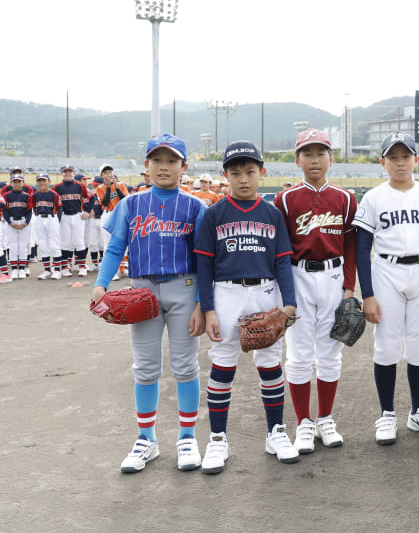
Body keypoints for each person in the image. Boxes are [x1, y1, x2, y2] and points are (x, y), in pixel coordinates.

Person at [92, 133, 207, 473]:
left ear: (184, 167)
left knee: (185, 366)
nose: (164, 166)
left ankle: (187, 437)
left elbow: (203, 259)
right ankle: (147, 439)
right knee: (145, 368)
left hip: (184, 287)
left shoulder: (195, 206)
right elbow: (115, 249)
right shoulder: (130, 204)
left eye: (171, 161)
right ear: (146, 166)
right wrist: (100, 285)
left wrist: (202, 301)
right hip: (142, 290)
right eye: (157, 160)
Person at [192, 140, 298, 474]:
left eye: (250, 171)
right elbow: (204, 267)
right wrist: (207, 308)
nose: (243, 179)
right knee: (222, 366)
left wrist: (289, 303)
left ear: (261, 173)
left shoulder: (272, 214)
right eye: (235, 172)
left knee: (270, 363)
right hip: (225, 294)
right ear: (225, 175)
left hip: (265, 292)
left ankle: (276, 432)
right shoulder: (214, 215)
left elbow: (282, 262)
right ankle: (218, 439)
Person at [353, 132, 419, 444]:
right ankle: (387, 415)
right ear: (383, 162)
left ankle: (418, 411)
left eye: (405, 156)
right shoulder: (373, 198)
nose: (399, 162)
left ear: (416, 160)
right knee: (387, 344)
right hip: (386, 271)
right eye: (392, 157)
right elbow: (361, 248)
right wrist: (366, 294)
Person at [274, 128, 357, 453]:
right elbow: (280, 250)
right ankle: (304, 423)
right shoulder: (284, 199)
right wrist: (286, 294)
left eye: (320, 153)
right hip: (299, 277)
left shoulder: (346, 198)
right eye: (307, 153)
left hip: (334, 277)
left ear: (331, 159)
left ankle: (325, 418)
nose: (314, 159)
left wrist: (350, 286)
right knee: (297, 355)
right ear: (297, 160)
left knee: (330, 352)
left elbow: (351, 245)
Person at [96, 165, 131, 281]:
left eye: (110, 172)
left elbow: (125, 200)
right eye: (105, 173)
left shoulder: (120, 185)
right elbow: (105, 203)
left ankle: (122, 268)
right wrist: (109, 188)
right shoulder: (100, 188)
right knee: (108, 243)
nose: (108, 175)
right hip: (108, 213)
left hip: (120, 213)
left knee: (123, 241)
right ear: (101, 176)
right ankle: (111, 272)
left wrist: (116, 187)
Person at [55, 165, 90, 277]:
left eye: (70, 171)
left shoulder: (80, 186)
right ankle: (65, 267)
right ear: (62, 173)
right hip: (64, 216)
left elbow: (86, 199)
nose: (68, 173)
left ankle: (82, 266)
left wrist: (87, 211)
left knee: (79, 241)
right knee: (65, 242)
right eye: (65, 172)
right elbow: (54, 201)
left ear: (73, 173)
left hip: (78, 216)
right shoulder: (57, 187)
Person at [30, 174, 62, 280]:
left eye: (44, 180)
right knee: (43, 245)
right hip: (39, 218)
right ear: (37, 183)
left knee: (54, 245)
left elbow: (59, 208)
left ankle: (57, 270)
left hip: (52, 218)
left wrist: (58, 221)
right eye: (40, 181)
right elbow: (34, 208)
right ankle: (47, 270)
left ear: (49, 181)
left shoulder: (54, 194)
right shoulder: (35, 195)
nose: (42, 183)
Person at [2, 174, 32, 279]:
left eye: (19, 182)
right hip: (11, 221)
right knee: (13, 246)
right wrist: (10, 222)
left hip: (23, 221)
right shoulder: (6, 195)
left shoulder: (27, 196)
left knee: (23, 247)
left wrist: (26, 222)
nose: (17, 184)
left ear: (23, 183)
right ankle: (14, 269)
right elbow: (4, 211)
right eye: (14, 182)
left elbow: (29, 211)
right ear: (11, 183)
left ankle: (22, 269)